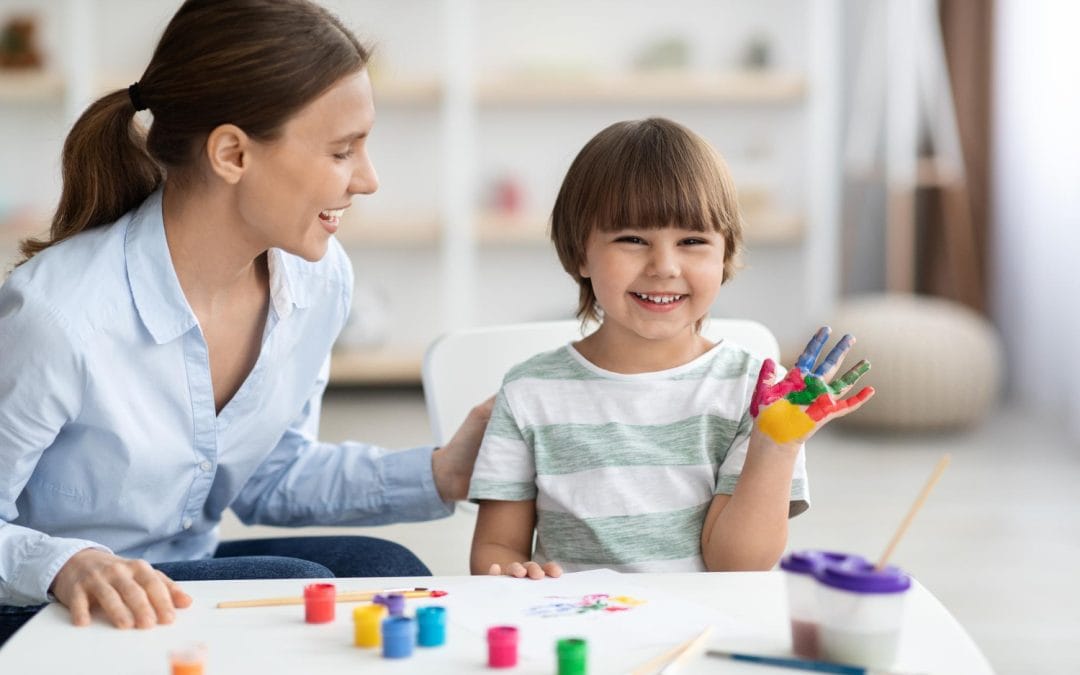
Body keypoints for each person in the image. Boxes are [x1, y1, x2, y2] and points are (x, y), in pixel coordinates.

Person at [0, 0, 492, 646]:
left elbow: (269, 476)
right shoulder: (59, 317)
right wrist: (64, 562)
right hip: (45, 604)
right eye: (343, 151)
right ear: (232, 153)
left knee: (388, 573)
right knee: (299, 583)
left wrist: (442, 471)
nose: (368, 180)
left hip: (177, 578)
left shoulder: (318, 281)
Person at [468, 118, 874, 579]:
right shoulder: (530, 391)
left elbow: (739, 567)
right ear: (580, 252)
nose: (664, 266)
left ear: (724, 256)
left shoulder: (761, 398)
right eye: (633, 239)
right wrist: (513, 576)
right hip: (575, 636)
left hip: (702, 636)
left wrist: (774, 447)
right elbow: (497, 547)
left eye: (692, 242)